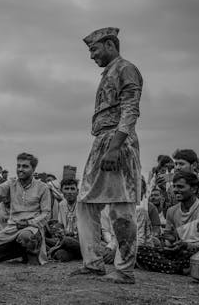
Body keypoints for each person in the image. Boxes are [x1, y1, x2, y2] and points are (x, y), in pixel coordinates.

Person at [72, 27, 143, 284]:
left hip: (117, 141)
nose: (91, 55)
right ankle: (93, 263)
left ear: (110, 45)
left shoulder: (126, 69)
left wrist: (115, 148)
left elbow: (130, 110)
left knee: (122, 205)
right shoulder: (108, 73)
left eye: (94, 49)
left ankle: (124, 270)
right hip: (102, 140)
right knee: (85, 203)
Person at [0, 153, 51, 265]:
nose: (20, 169)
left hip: (32, 228)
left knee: (25, 236)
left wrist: (28, 223)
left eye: (25, 166)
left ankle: (32, 254)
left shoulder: (43, 187)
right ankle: (21, 251)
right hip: (12, 228)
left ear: (33, 169)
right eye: (18, 166)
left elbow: (46, 214)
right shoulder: (12, 183)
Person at [136, 171, 199, 274]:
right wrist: (171, 241)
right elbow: (170, 242)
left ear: (194, 189)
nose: (176, 190)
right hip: (179, 254)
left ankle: (174, 267)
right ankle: (179, 268)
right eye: (174, 186)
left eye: (180, 187)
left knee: (189, 254)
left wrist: (188, 245)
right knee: (139, 251)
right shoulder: (171, 211)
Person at [48, 179, 81, 262]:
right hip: (67, 241)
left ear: (77, 191)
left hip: (81, 241)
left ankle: (53, 249)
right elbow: (61, 224)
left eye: (72, 189)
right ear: (62, 191)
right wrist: (58, 230)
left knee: (67, 241)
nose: (69, 192)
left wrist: (70, 234)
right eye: (66, 189)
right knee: (61, 255)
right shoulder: (62, 204)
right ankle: (57, 250)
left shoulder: (82, 204)